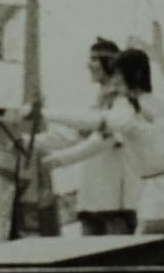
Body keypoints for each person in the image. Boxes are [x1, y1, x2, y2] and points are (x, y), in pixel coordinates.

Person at [48, 48, 164, 238]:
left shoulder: (127, 110)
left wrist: (45, 114)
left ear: (132, 75)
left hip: (159, 201)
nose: (115, 79)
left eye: (119, 74)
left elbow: (94, 124)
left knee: (142, 256)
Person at [41, 37, 139, 236]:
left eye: (94, 59)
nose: (89, 65)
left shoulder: (123, 101)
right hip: (92, 195)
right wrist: (29, 143)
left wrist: (61, 159)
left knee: (117, 254)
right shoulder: (97, 103)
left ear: (109, 63)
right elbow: (74, 135)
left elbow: (101, 140)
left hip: (115, 199)